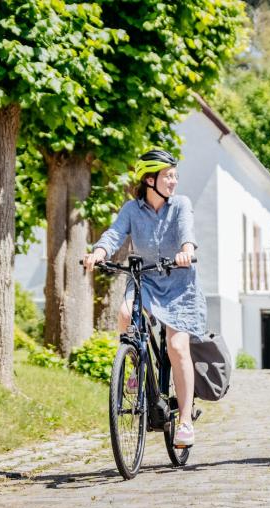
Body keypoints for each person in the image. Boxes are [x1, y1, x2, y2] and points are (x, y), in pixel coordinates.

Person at [83, 149, 207, 447]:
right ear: (150, 179)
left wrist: (187, 250)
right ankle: (135, 368)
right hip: (147, 279)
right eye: (168, 176)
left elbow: (186, 231)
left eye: (175, 176)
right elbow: (114, 235)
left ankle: (186, 420)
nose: (174, 181)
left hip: (179, 284)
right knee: (126, 315)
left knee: (177, 347)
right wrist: (99, 253)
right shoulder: (131, 209)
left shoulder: (180, 205)